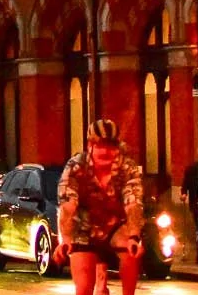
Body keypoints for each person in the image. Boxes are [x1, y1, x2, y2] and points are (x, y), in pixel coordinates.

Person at [55, 120, 146, 295]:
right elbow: (67, 205)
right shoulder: (76, 166)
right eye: (100, 146)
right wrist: (65, 239)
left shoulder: (127, 167)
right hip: (84, 227)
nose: (106, 152)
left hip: (116, 225)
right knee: (83, 288)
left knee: (130, 250)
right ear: (90, 146)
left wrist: (134, 236)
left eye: (111, 146)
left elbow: (133, 202)